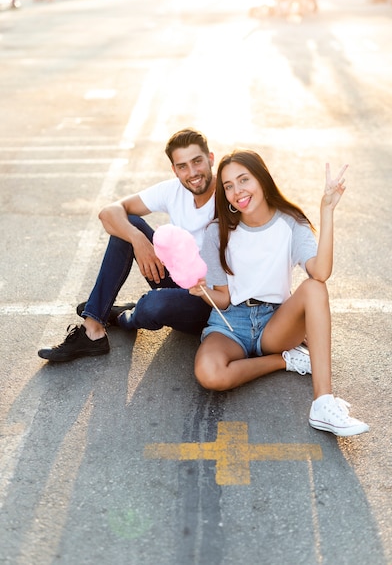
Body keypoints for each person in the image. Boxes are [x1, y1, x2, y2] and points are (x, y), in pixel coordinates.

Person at [189, 150, 369, 437]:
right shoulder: (217, 232)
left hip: (276, 323)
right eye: (229, 186)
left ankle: (323, 403)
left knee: (314, 287)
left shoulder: (290, 222)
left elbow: (320, 272)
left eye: (243, 180)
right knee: (210, 374)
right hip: (230, 323)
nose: (237, 191)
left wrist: (327, 210)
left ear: (261, 179)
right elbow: (222, 298)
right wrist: (203, 292)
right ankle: (286, 360)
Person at [38, 129, 216, 362]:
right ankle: (93, 329)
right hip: (180, 280)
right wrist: (137, 238)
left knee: (153, 306)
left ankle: (124, 316)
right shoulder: (173, 190)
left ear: (210, 158)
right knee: (127, 223)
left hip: (210, 300)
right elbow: (108, 213)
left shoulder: (229, 192)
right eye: (182, 166)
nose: (192, 172)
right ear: (174, 170)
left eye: (197, 161)